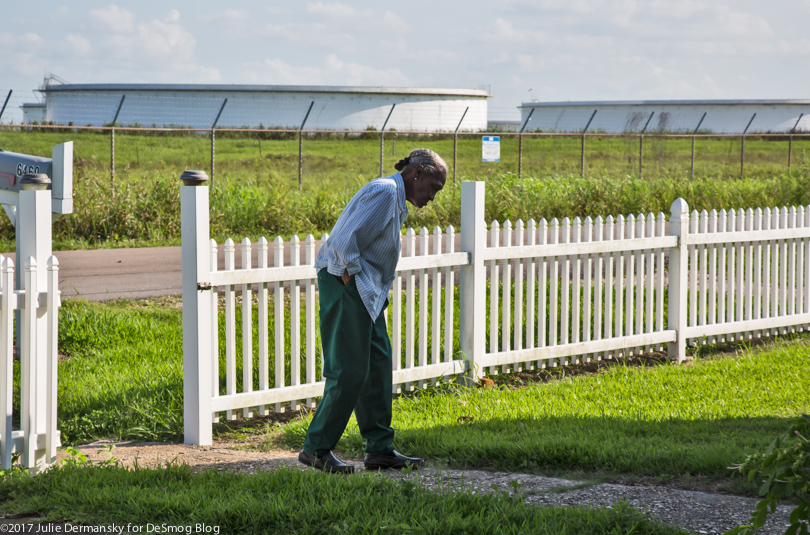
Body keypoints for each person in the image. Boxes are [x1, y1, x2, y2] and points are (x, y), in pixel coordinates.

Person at [298, 148, 448, 474]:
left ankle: (380, 451)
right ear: (418, 173)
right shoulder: (385, 191)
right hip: (347, 283)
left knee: (377, 368)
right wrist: (350, 272)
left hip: (368, 291)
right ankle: (317, 449)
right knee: (349, 371)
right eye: (434, 187)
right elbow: (342, 240)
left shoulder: (395, 198)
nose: (433, 197)